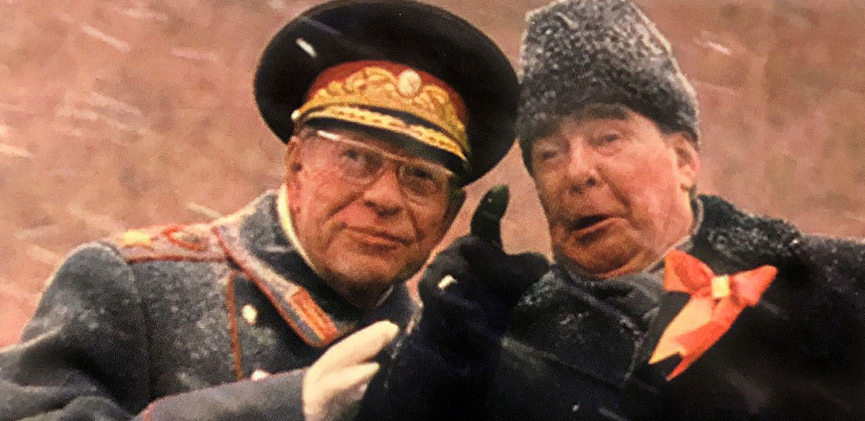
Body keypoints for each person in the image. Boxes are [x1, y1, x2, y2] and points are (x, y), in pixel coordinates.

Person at [0, 1, 519, 420]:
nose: (385, 197)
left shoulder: (442, 352)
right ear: (297, 164)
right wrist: (284, 408)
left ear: (448, 214)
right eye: (357, 159)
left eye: (420, 178)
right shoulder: (133, 285)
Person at [358, 0, 865, 420]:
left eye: (608, 137)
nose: (577, 171)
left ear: (684, 160)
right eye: (549, 153)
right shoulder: (505, 343)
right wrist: (446, 353)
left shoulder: (833, 285)